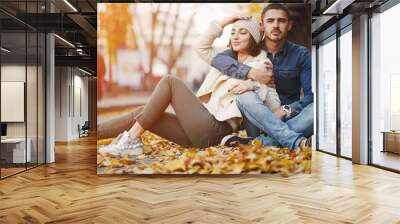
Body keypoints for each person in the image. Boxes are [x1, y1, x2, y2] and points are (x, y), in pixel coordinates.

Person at [98, 16, 281, 156]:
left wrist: (252, 83)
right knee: (144, 113)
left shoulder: (261, 64)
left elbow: (266, 100)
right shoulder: (224, 59)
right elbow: (200, 46)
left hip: (216, 130)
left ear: (254, 37)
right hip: (200, 129)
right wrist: (225, 22)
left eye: (242, 32)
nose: (235, 36)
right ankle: (91, 134)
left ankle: (131, 139)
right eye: (232, 32)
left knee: (170, 81)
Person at [211, 3, 314, 150]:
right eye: (270, 21)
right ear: (262, 26)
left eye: (281, 21)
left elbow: (311, 95)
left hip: (290, 117)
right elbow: (218, 60)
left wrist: (286, 109)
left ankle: (257, 143)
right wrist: (251, 74)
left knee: (316, 109)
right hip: (256, 119)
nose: (276, 25)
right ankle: (295, 141)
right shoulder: (249, 47)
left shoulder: (300, 54)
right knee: (243, 96)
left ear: (289, 25)